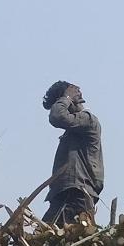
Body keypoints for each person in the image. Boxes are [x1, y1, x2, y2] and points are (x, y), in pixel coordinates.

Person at [42, 81, 104, 225]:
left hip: (77, 193)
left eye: (62, 102)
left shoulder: (88, 121)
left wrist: (67, 97)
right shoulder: (73, 130)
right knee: (45, 238)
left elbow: (58, 117)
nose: (61, 106)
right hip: (65, 194)